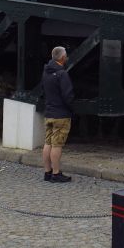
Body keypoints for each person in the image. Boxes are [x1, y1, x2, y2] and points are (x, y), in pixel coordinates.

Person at [41, 46, 74, 183]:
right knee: (57, 145)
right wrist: (71, 108)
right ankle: (56, 174)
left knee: (48, 143)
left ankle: (47, 172)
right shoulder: (62, 74)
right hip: (61, 115)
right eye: (66, 56)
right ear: (62, 58)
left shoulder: (45, 72)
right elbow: (68, 95)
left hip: (49, 113)